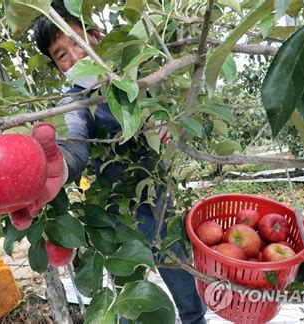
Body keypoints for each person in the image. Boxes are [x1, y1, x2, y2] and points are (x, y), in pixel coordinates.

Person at [33, 2, 207, 323]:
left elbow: (172, 114)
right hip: (117, 213)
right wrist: (54, 167)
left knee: (185, 284)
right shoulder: (75, 101)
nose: (75, 56)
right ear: (59, 68)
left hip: (159, 200)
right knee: (128, 297)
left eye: (78, 41)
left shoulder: (139, 75)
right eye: (62, 54)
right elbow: (71, 143)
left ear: (97, 37)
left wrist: (163, 120)